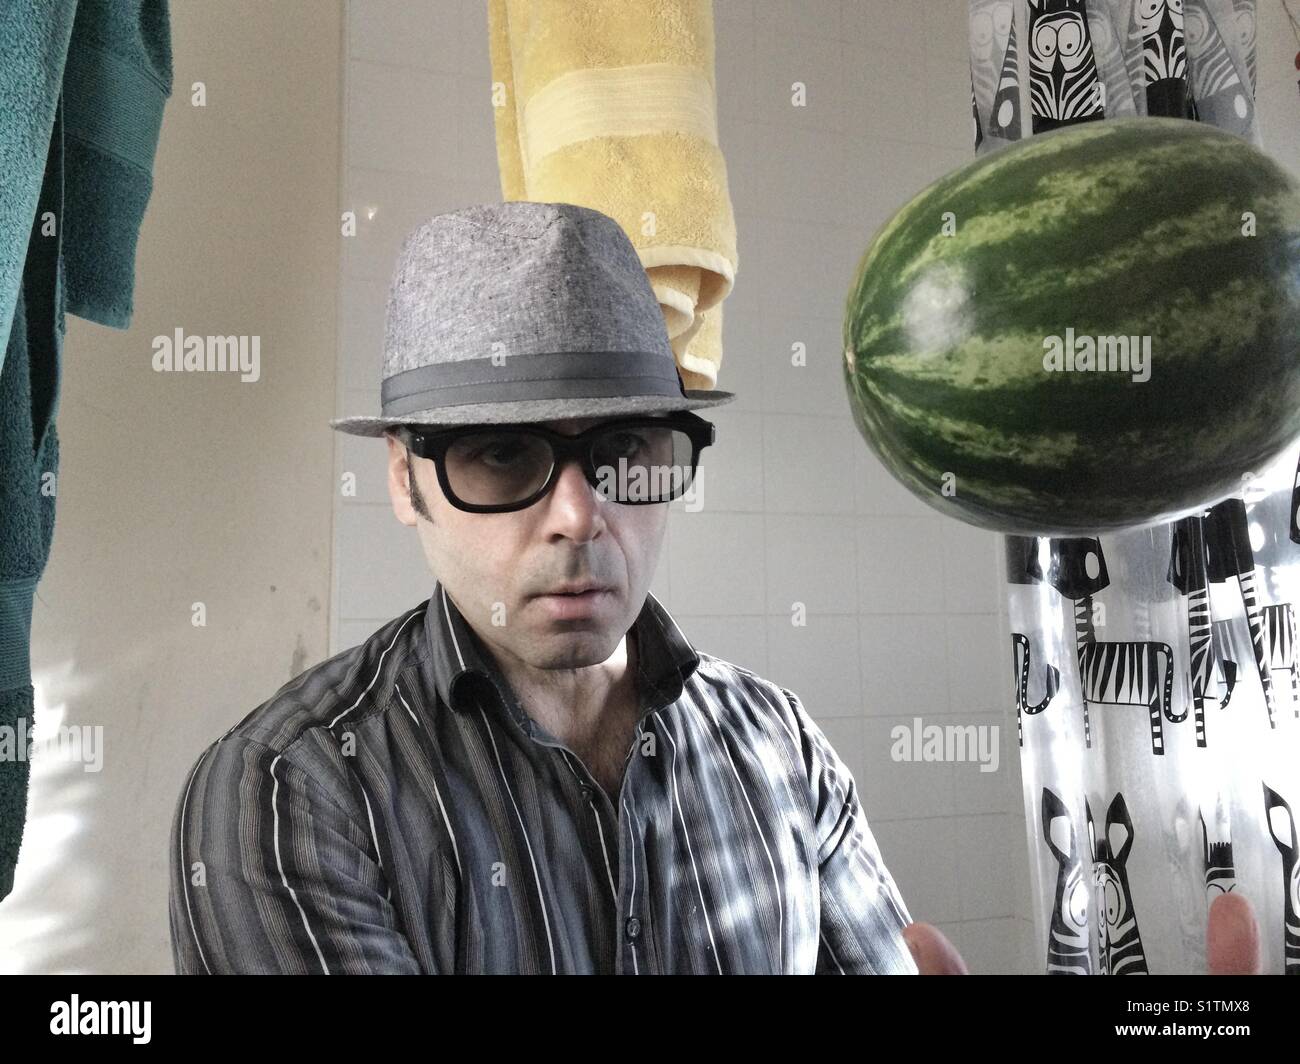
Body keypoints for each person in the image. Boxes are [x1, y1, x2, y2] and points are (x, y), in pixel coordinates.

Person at [167, 201, 917, 974]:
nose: (579, 516)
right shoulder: (292, 790)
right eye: (501, 453)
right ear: (403, 478)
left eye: (624, 447)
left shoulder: (779, 745)